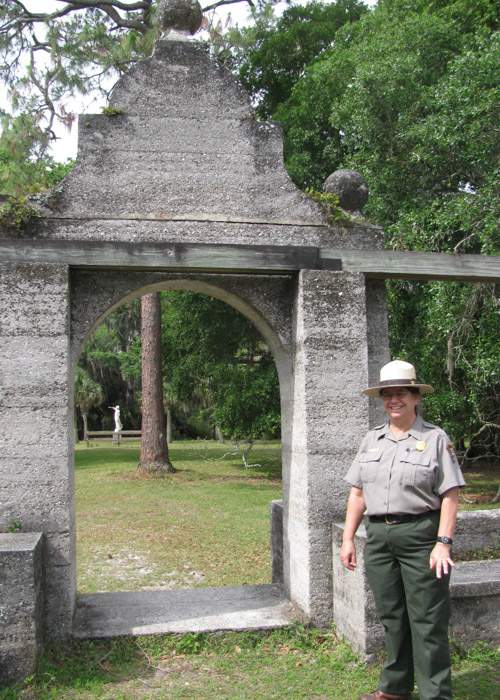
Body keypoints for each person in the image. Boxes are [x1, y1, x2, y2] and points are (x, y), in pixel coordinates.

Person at [340, 360, 466, 700]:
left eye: (401, 394)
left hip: (421, 536)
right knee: (391, 616)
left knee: (427, 620)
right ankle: (395, 689)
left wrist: (443, 543)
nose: (393, 400)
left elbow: (451, 494)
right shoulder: (371, 440)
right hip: (379, 537)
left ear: (415, 398)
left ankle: (435, 694)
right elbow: (358, 493)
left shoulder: (435, 439)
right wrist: (348, 537)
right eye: (387, 395)